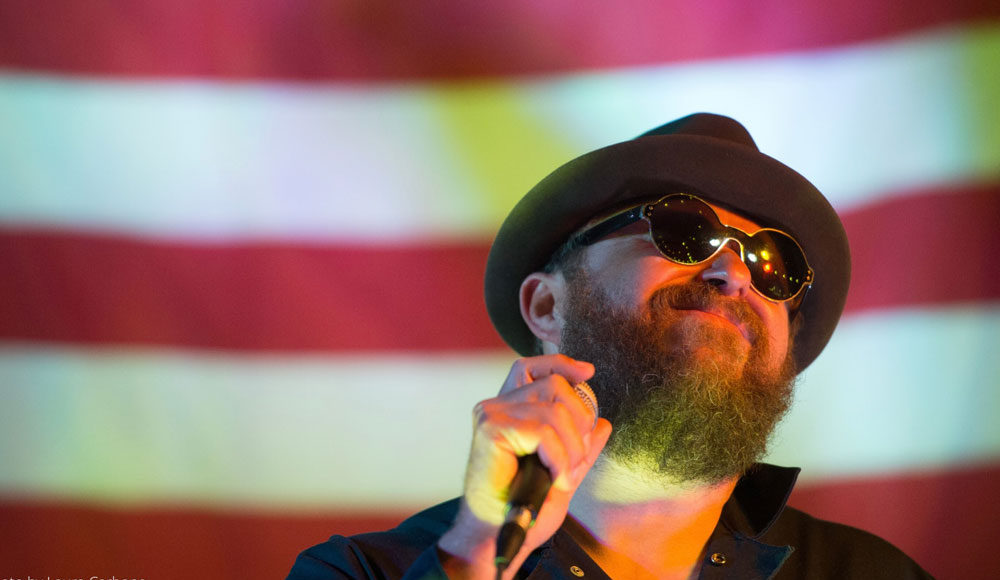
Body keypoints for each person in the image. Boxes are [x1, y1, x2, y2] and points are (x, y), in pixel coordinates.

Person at [287, 113, 933, 579]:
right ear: (547, 304)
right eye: (684, 231)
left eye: (774, 268)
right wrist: (479, 553)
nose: (735, 274)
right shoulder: (362, 571)